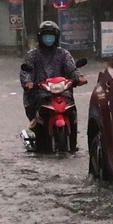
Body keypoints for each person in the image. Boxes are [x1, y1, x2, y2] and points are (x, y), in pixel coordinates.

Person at [20, 20, 86, 152]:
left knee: (72, 113)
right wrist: (28, 83)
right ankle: (39, 135)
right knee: (39, 108)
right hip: (40, 93)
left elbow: (72, 69)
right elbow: (26, 71)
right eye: (46, 36)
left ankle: (73, 144)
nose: (48, 39)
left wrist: (79, 78)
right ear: (40, 37)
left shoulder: (63, 54)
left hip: (63, 93)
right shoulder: (32, 55)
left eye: (51, 36)